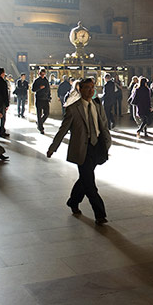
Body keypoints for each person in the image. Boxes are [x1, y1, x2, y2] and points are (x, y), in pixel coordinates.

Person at [47, 77, 111, 225]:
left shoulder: (97, 104)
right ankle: (100, 214)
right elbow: (63, 130)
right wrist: (53, 148)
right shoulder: (73, 108)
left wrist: (108, 142)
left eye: (92, 87)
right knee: (90, 183)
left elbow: (104, 124)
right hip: (83, 148)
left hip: (97, 146)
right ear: (80, 90)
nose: (91, 90)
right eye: (87, 87)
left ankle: (73, 201)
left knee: (85, 178)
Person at [32, 68, 51, 134]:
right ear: (39, 73)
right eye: (41, 74)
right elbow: (33, 89)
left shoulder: (46, 80)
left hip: (45, 99)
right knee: (39, 114)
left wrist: (49, 97)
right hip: (39, 99)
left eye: (44, 74)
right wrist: (39, 88)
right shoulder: (36, 81)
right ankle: (41, 128)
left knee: (47, 113)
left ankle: (39, 122)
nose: (43, 75)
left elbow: (48, 89)